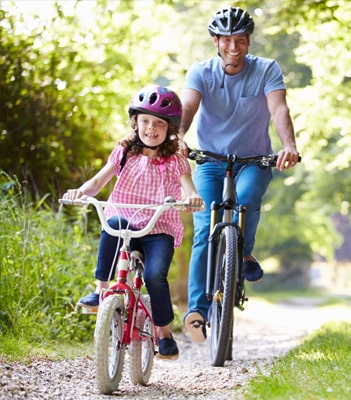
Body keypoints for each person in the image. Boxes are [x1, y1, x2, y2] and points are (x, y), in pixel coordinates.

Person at [178, 7, 300, 343]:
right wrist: (178, 137)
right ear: (216, 41)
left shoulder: (266, 70)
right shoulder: (201, 72)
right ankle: (197, 311)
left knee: (246, 201)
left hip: (254, 159)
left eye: (241, 40)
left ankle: (243, 251)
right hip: (210, 160)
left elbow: (279, 109)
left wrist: (288, 145)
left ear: (248, 42)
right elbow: (188, 107)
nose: (234, 47)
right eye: (227, 40)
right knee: (205, 226)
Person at [62, 85, 203, 359]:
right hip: (125, 224)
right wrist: (80, 192)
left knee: (153, 276)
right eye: (145, 121)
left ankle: (163, 333)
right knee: (112, 221)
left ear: (170, 128)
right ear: (135, 123)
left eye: (159, 123)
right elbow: (98, 182)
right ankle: (101, 290)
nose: (151, 128)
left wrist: (194, 198)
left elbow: (189, 188)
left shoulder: (175, 160)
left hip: (158, 229)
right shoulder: (124, 152)